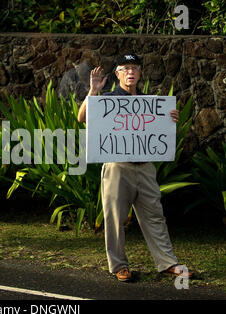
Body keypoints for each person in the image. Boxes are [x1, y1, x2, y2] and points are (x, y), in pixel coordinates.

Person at [77, 53, 193, 282]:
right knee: (114, 218)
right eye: (125, 68)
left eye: (134, 68)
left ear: (140, 73)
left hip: (145, 167)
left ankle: (168, 263)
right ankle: (119, 266)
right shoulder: (108, 98)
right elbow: (82, 118)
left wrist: (170, 118)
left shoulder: (149, 103)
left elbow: (158, 127)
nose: (130, 72)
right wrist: (93, 90)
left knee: (155, 215)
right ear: (118, 73)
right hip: (117, 167)